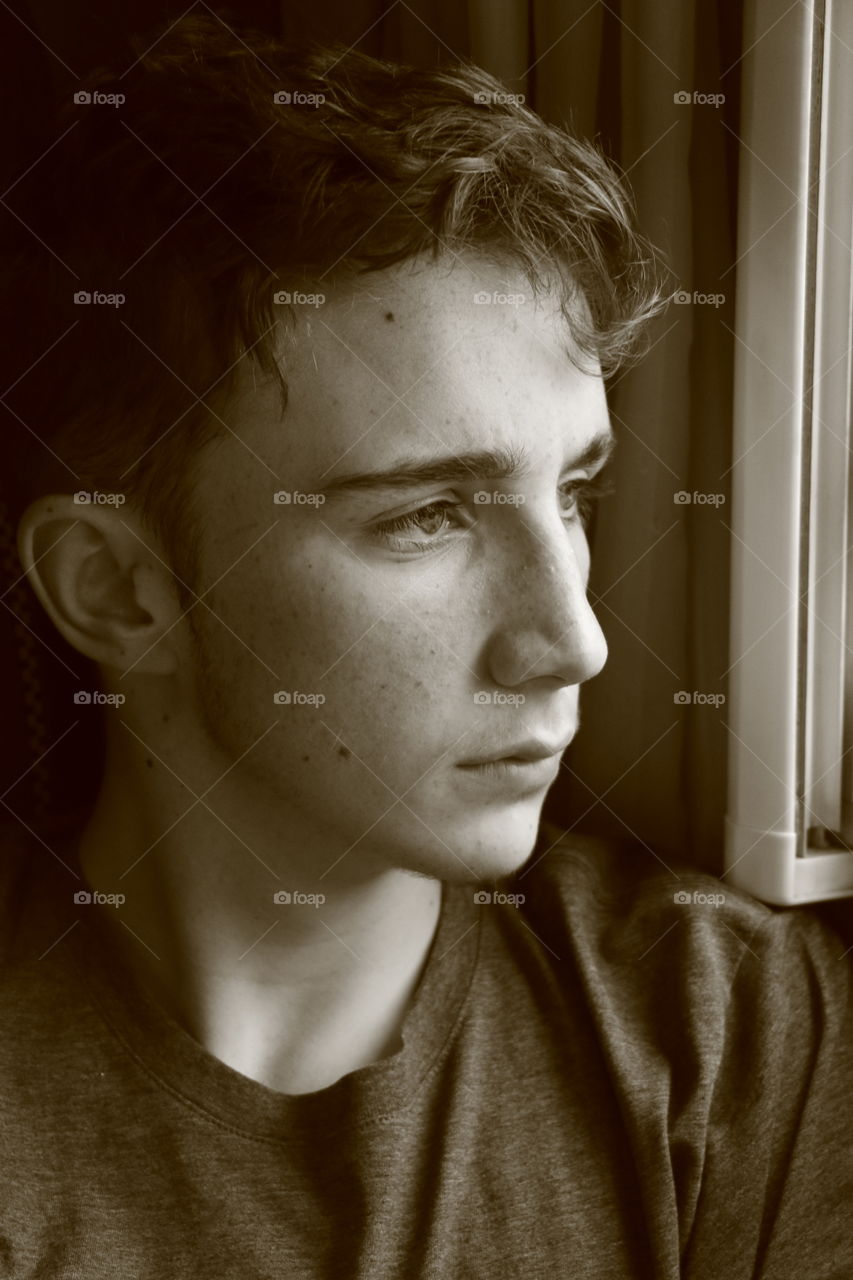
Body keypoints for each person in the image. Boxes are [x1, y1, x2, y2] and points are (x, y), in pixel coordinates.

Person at [1, 13, 851, 1279]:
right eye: (429, 516)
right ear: (122, 592)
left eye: (572, 494)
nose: (570, 642)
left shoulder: (731, 1041)